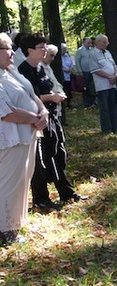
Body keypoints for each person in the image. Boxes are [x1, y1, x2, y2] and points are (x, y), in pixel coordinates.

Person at [18, 35, 86, 212]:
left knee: (58, 153)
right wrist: (50, 97)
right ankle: (41, 200)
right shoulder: (23, 70)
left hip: (52, 117)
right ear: (30, 50)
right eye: (41, 47)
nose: (45, 49)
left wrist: (57, 96)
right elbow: (27, 97)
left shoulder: (42, 67)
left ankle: (66, 192)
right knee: (42, 160)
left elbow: (50, 86)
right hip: (37, 122)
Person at [0, 32, 48, 245]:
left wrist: (43, 111)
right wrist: (33, 118)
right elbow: (6, 111)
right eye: (8, 48)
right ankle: (6, 229)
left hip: (27, 134)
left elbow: (32, 95)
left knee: (22, 181)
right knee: (9, 183)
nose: (12, 52)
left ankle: (16, 224)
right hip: (10, 138)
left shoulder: (10, 71)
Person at [89, 34, 117, 135]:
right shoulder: (93, 54)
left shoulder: (108, 53)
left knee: (113, 106)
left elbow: (114, 65)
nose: (107, 44)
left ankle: (115, 128)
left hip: (112, 84)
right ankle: (106, 129)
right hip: (102, 85)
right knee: (104, 107)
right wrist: (109, 77)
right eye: (105, 42)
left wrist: (115, 75)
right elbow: (95, 70)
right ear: (98, 43)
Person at [75, 37, 95, 108]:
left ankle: (92, 101)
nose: (90, 44)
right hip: (84, 71)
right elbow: (77, 61)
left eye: (90, 43)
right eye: (88, 43)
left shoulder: (92, 50)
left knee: (92, 87)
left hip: (92, 71)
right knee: (85, 87)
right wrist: (79, 71)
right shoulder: (80, 51)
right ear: (84, 43)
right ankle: (86, 102)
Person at [60, 43, 74, 108]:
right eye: (63, 49)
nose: (64, 51)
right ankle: (63, 103)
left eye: (65, 49)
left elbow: (71, 63)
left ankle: (69, 102)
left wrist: (70, 68)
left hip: (68, 76)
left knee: (68, 89)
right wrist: (64, 69)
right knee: (63, 89)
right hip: (62, 75)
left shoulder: (67, 56)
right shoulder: (58, 57)